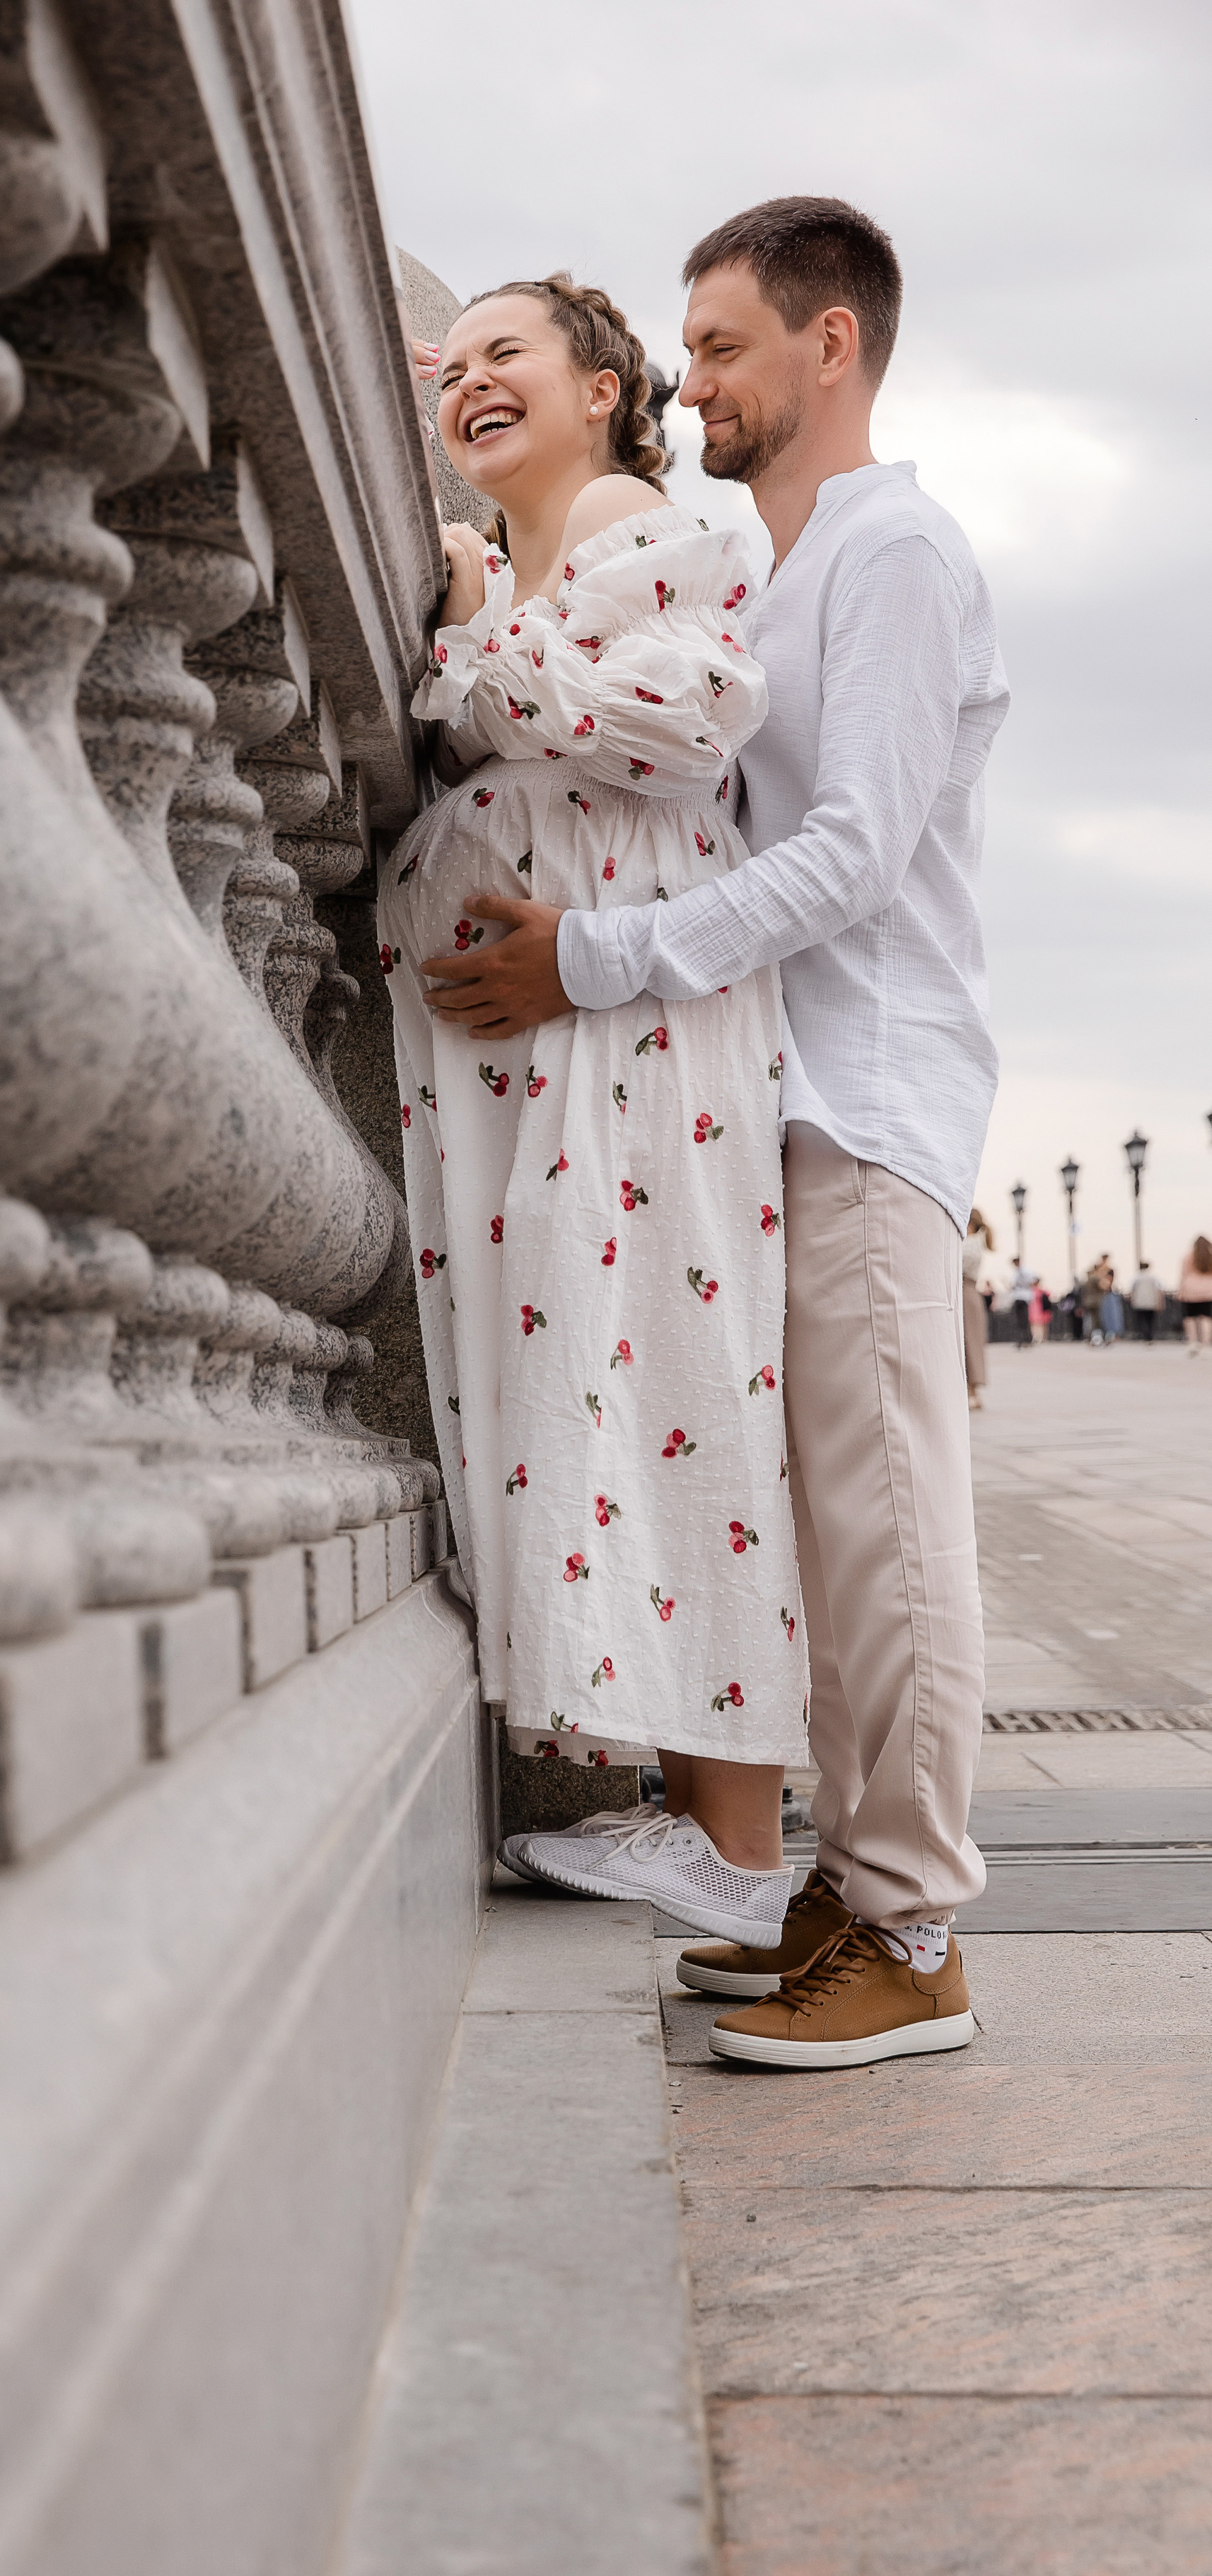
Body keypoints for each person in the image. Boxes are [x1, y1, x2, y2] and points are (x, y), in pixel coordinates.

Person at [414, 195, 1006, 2067]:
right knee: (819, 1537)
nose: (691, 383)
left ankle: (911, 1935)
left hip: (866, 1095)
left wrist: (593, 958)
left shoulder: (890, 550)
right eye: (682, 349)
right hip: (773, 1092)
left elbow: (854, 855)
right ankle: (839, 1893)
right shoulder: (780, 559)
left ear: (833, 344)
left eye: (724, 346)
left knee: (886, 1530)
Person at [388, 272, 808, 1956]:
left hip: (633, 1027)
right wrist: (484, 609)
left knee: (674, 1381)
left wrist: (469, 644)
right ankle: (694, 1819)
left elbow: (683, 721)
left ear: (601, 389)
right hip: (568, 1041)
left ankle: (738, 1844)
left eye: (510, 354)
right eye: (452, 368)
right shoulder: (540, 560)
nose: (472, 383)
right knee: (610, 1376)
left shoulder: (634, 521)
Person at [962, 1207, 991, 1408]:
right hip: (969, 1294)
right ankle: (971, 1392)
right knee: (970, 1342)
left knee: (969, 1343)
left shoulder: (969, 1244)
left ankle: (972, 1392)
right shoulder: (975, 1243)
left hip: (965, 1292)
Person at [1181, 1237, 1212, 1352]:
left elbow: (1184, 1274)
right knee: (1206, 1317)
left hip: (1191, 1291)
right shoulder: (1210, 1255)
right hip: (1208, 1291)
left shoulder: (1188, 1256)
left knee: (1190, 1317)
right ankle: (1205, 1343)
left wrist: (1181, 1291)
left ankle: (1193, 1342)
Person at [1129, 1261, 1163, 1344]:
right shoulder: (1153, 1277)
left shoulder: (1137, 1277)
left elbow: (1133, 1290)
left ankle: (1145, 1335)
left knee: (1141, 1320)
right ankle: (1150, 1336)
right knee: (1150, 1320)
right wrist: (1160, 1302)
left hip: (1140, 1302)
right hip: (1151, 1302)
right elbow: (1159, 1290)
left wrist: (1133, 1300)